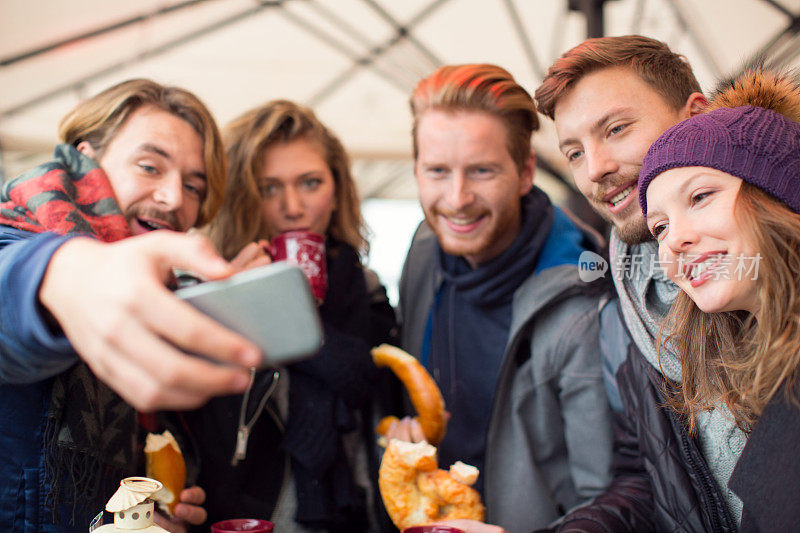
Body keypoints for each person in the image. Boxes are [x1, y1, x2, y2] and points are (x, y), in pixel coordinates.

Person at [0, 79, 263, 532]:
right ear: (87, 158)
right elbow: (18, 287)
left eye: (194, 186)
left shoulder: (168, 304)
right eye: (149, 166)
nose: (175, 198)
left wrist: (150, 512)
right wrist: (67, 276)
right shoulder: (18, 239)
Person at [390, 63, 614, 533]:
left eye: (481, 170)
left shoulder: (583, 296)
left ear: (525, 171)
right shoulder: (424, 251)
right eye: (436, 171)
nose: (457, 198)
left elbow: (607, 496)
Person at [535, 35, 733, 531]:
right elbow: (650, 476)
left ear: (697, 117)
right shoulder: (619, 294)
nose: (595, 168)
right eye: (575, 152)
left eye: (616, 129)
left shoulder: (772, 257)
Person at [184, 100, 398, 532]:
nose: (294, 207)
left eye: (311, 182)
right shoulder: (200, 293)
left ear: (337, 190)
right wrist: (239, 307)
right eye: (269, 188)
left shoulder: (365, 290)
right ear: (239, 196)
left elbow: (384, 416)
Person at [638, 67, 800, 532]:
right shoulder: (766, 379)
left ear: (779, 191)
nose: (673, 242)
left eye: (702, 196)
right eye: (660, 228)